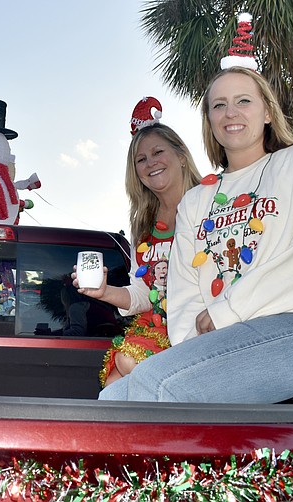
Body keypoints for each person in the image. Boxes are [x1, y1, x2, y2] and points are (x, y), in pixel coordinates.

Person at [99, 62, 293, 403]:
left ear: (268, 111)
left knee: (157, 383)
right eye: (219, 105)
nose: (230, 112)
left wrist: (228, 310)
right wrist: (190, 356)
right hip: (227, 340)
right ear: (209, 120)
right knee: (113, 399)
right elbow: (185, 295)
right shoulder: (197, 201)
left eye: (243, 101)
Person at [74, 97, 202, 388]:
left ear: (181, 154)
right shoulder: (143, 224)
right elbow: (144, 294)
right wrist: (104, 291)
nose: (150, 163)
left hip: (199, 325)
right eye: (141, 159)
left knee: (127, 364)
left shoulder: (210, 202)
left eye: (158, 152)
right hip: (155, 324)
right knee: (114, 384)